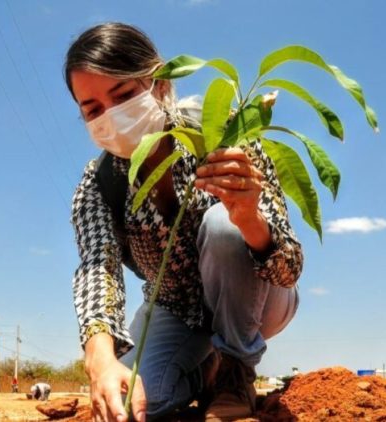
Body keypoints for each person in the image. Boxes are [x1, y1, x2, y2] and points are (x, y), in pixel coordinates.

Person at [65, 22, 302, 421]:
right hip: (176, 310)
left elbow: (289, 268)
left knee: (224, 226)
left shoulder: (224, 133)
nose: (113, 117)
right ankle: (202, 374)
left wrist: (249, 219)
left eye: (123, 95)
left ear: (159, 83)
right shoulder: (100, 182)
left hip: (260, 301)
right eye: (93, 110)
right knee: (133, 404)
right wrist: (100, 357)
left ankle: (235, 370)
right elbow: (97, 267)